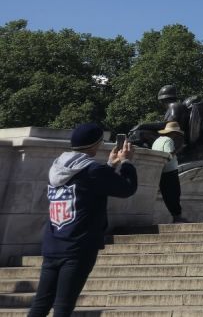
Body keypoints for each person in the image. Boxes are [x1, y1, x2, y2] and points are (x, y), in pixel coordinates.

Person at [27, 124, 137, 317]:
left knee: (40, 304)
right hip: (79, 246)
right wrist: (126, 163)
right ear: (96, 144)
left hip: (53, 244)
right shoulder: (92, 170)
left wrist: (110, 166)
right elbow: (126, 188)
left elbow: (86, 187)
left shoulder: (57, 167)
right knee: (63, 306)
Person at [152, 121, 187, 223]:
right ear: (173, 133)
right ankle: (177, 217)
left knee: (167, 195)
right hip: (170, 171)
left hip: (161, 171)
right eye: (176, 133)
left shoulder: (157, 140)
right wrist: (179, 149)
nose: (176, 135)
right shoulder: (169, 140)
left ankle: (176, 216)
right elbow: (169, 154)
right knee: (174, 194)